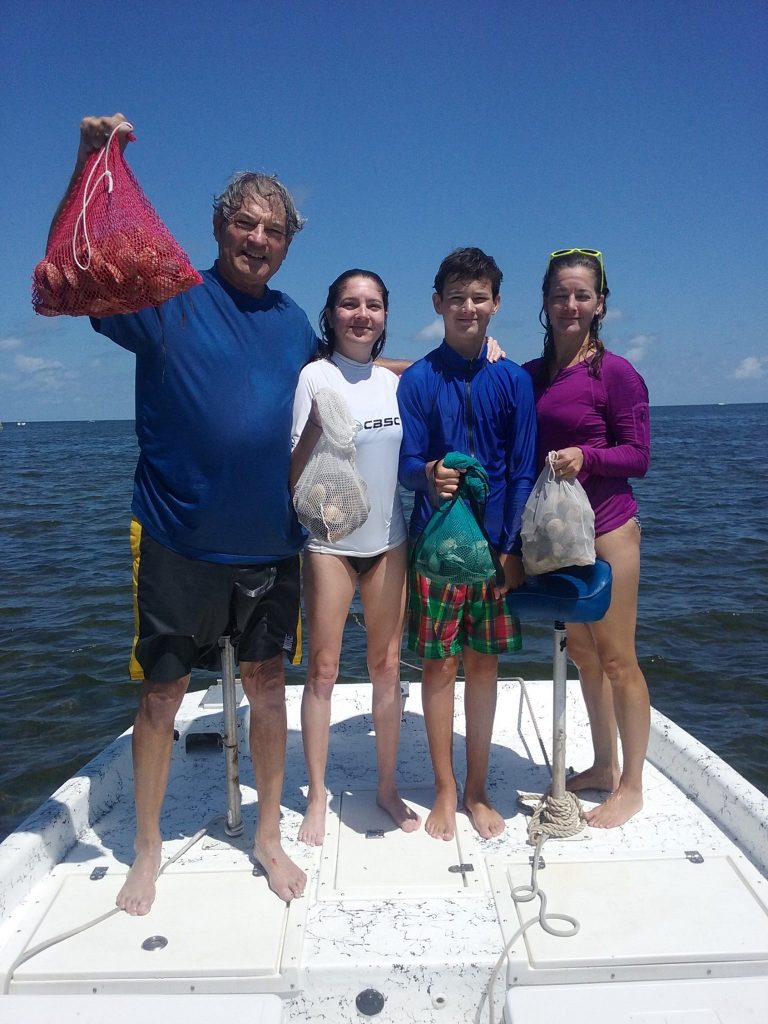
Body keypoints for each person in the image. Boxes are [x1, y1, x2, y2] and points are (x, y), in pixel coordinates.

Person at [51, 112, 319, 913]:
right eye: (246, 222)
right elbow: (76, 260)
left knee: (269, 688)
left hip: (271, 543)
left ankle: (267, 834)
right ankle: (145, 848)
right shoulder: (165, 297)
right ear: (219, 226)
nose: (258, 238)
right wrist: (86, 160)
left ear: (287, 244)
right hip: (175, 537)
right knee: (162, 695)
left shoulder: (295, 320)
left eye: (274, 229)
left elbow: (343, 384)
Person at [397, 247, 538, 842]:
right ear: (437, 305)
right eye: (457, 298)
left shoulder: (512, 379)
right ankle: (445, 788)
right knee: (438, 664)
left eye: (479, 297)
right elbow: (404, 465)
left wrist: (511, 548)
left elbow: (525, 466)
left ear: (496, 304)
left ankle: (476, 788)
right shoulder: (421, 378)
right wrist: (428, 475)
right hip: (435, 549)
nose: (468, 307)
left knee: (484, 665)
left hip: (497, 546)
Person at [290, 270, 421, 845]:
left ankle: (386, 788)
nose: (361, 315)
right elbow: (293, 477)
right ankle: (317, 793)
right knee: (321, 671)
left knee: (386, 668)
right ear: (332, 312)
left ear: (386, 316)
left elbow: (427, 371)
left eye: (372, 306)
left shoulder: (396, 385)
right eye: (349, 304)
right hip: (329, 544)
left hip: (390, 540)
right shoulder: (314, 378)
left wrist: (490, 352)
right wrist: (312, 432)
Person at [523, 247, 651, 828]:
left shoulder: (616, 373)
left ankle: (632, 784)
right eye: (560, 294)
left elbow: (639, 455)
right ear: (545, 303)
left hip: (609, 530)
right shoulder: (533, 373)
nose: (570, 304)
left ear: (600, 303)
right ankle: (602, 765)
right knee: (581, 653)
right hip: (557, 538)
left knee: (618, 657)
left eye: (582, 294)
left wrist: (588, 456)